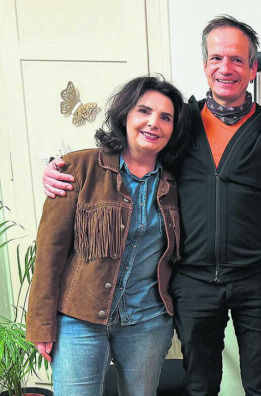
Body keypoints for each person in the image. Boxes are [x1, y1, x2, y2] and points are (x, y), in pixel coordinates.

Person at [41, 15, 261, 396]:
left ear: (253, 69)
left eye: (236, 59)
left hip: (260, 279)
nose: (225, 68)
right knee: (198, 385)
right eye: (216, 58)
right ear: (205, 66)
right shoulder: (180, 121)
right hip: (193, 281)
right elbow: (127, 153)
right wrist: (56, 167)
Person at [26, 76, 188, 395]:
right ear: (125, 115)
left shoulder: (179, 182)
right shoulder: (79, 168)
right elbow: (49, 252)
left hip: (147, 320)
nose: (153, 123)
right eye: (144, 111)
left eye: (165, 117)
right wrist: (41, 323)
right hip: (78, 317)